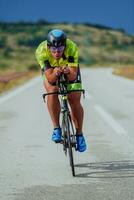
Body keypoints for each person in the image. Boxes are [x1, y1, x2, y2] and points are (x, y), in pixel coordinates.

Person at [35, 29, 86, 152]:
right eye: (53, 50)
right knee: (52, 91)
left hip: (68, 68)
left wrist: (68, 71)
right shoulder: (41, 50)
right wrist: (56, 72)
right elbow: (51, 79)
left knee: (74, 98)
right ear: (48, 46)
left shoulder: (72, 47)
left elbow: (73, 76)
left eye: (60, 49)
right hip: (51, 70)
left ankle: (79, 135)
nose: (57, 52)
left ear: (65, 45)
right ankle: (56, 128)